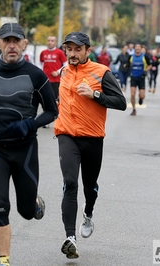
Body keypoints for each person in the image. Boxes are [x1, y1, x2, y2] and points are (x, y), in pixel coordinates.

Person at [0, 22, 58, 266]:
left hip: (25, 149)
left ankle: (35, 202)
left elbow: (52, 111)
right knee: (0, 205)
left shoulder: (35, 75)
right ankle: (4, 261)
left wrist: (31, 125)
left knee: (26, 212)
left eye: (16, 41)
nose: (11, 45)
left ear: (24, 44)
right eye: (6, 40)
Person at [54, 32, 126, 259]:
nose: (72, 54)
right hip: (66, 134)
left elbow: (121, 103)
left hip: (93, 137)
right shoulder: (64, 71)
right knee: (70, 182)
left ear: (87, 50)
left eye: (77, 49)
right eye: (69, 49)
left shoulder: (101, 72)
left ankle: (88, 212)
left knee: (89, 186)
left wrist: (95, 94)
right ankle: (70, 237)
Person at [126, 43, 151, 116]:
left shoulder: (145, 57)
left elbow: (150, 65)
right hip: (133, 77)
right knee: (132, 94)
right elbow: (128, 64)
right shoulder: (131, 57)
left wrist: (146, 71)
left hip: (141, 78)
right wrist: (126, 66)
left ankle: (141, 99)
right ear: (135, 49)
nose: (137, 49)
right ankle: (134, 109)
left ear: (141, 49)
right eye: (136, 48)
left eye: (139, 48)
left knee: (142, 95)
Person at [40, 35, 67, 100]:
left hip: (56, 80)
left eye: (52, 41)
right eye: (49, 40)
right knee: (45, 98)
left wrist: (58, 72)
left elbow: (66, 65)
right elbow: (40, 64)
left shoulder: (60, 52)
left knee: (54, 99)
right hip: (45, 80)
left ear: (55, 43)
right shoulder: (43, 52)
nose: (50, 42)